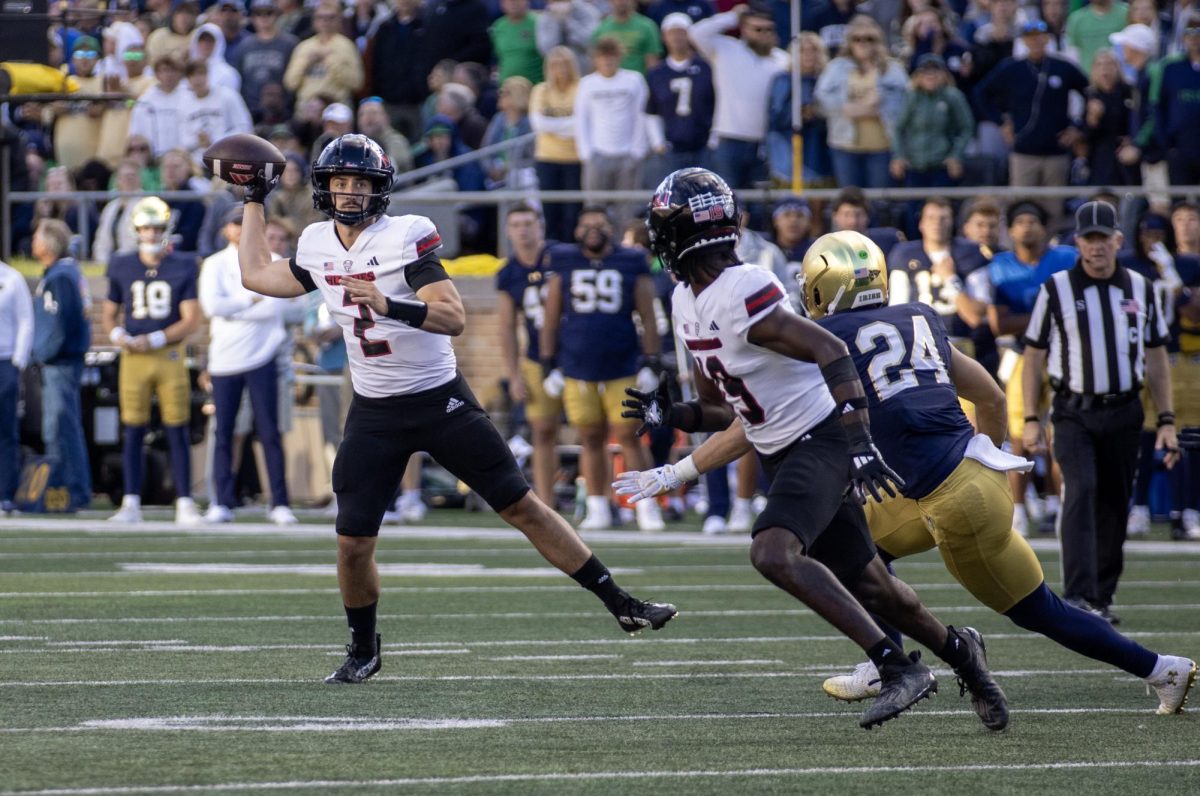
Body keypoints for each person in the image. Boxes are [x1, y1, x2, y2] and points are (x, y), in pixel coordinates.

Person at [235, 133, 677, 683]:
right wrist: (253, 199)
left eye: (361, 183)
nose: (349, 193)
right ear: (324, 188)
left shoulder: (406, 235)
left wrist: (388, 303)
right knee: (352, 543)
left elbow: (451, 315)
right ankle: (363, 648)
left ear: (381, 188)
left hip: (438, 397)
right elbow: (257, 274)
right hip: (375, 410)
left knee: (520, 506)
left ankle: (620, 600)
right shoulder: (317, 242)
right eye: (339, 183)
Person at [617, 167, 1007, 730]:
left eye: (662, 227)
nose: (657, 238)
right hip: (782, 448)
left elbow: (830, 350)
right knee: (876, 586)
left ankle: (896, 667)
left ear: (686, 231)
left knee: (772, 552)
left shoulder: (744, 285)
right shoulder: (685, 300)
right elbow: (726, 409)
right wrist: (672, 414)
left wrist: (858, 440)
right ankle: (963, 654)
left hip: (821, 438)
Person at [791, 231, 1198, 717]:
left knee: (1036, 610)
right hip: (960, 480)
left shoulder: (826, 340)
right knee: (855, 548)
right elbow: (992, 397)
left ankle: (1159, 669)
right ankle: (886, 665)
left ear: (823, 286)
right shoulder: (918, 317)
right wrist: (986, 456)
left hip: (952, 499)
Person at [1024, 201, 1179, 623]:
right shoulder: (1055, 288)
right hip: (1073, 409)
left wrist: (1166, 418)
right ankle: (1077, 595)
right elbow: (1033, 356)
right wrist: (1030, 416)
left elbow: (1157, 356)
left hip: (1125, 409)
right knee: (1081, 489)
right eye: (1089, 239)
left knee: (1114, 500)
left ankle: (1102, 597)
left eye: (1103, 238)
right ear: (1078, 242)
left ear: (1118, 240)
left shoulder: (1141, 287)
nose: (1096, 247)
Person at [540, 206, 666, 531]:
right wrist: (548, 362)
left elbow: (648, 314)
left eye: (599, 224)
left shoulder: (630, 260)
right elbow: (551, 315)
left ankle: (646, 507)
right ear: (576, 230)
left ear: (611, 229)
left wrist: (651, 359)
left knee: (629, 436)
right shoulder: (564, 259)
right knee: (590, 437)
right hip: (576, 366)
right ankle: (597, 506)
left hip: (622, 363)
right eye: (586, 224)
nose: (593, 229)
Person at [971, 201, 1074, 536]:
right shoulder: (1000, 265)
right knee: (1019, 434)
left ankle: (1058, 504)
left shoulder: (1066, 259)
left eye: (1034, 220)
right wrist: (1049, 317)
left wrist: (1026, 321)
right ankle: (1017, 510)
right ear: (1011, 230)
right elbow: (998, 323)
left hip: (1064, 354)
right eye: (1020, 221)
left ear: (1045, 227)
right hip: (1019, 355)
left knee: (1059, 434)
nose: (1027, 227)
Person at [103, 197, 202, 525]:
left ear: (166, 228)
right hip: (133, 356)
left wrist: (156, 337)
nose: (150, 233)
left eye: (156, 227)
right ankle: (130, 501)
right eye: (145, 228)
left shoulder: (184, 264)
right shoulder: (121, 264)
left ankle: (185, 501)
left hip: (167, 354)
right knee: (132, 428)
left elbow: (190, 320)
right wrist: (118, 335)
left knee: (177, 427)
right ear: (136, 229)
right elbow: (109, 312)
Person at [199, 205, 296, 526]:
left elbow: (274, 308)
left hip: (263, 354)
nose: (242, 229)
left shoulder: (272, 261)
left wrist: (238, 308)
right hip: (225, 358)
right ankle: (221, 500)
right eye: (236, 224)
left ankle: (279, 502)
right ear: (227, 229)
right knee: (224, 431)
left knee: (269, 431)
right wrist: (248, 301)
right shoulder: (214, 264)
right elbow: (213, 306)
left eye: (247, 223)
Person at [496, 203, 561, 505]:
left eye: (528, 223)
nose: (523, 230)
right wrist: (513, 374)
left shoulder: (561, 257)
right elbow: (508, 327)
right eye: (517, 224)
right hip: (536, 357)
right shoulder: (509, 273)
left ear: (541, 226)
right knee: (543, 430)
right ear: (508, 231)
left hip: (575, 353)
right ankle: (547, 503)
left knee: (596, 429)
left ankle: (609, 501)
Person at [688, 4, 788, 189]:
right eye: (757, 29)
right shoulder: (726, 49)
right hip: (729, 139)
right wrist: (732, 17)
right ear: (744, 29)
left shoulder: (781, 59)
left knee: (759, 206)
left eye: (768, 29)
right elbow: (696, 33)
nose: (763, 34)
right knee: (727, 200)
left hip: (764, 142)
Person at [30, 219, 92, 512]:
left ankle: (69, 491)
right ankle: (68, 489)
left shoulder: (60, 277)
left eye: (36, 238)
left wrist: (41, 353)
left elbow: (58, 325)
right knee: (62, 425)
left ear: (47, 244)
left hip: (61, 361)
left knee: (60, 427)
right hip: (64, 360)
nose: (33, 243)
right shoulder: (66, 272)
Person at [815, 15, 909, 189]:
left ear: (878, 40)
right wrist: (865, 107)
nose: (863, 43)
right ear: (849, 42)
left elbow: (904, 102)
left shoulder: (892, 68)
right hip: (845, 144)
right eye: (857, 39)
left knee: (878, 200)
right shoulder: (836, 67)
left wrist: (859, 108)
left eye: (869, 39)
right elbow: (822, 99)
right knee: (850, 198)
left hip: (882, 146)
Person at [573, 37, 649, 228]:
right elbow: (581, 119)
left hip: (627, 155)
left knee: (626, 210)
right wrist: (587, 154)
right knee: (594, 209)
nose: (607, 61)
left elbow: (642, 116)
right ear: (595, 59)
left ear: (619, 57)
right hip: (597, 155)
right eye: (602, 57)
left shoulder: (634, 80)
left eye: (611, 56)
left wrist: (637, 151)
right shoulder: (587, 84)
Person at [644, 13, 715, 187]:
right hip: (672, 146)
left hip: (702, 144)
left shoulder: (705, 67)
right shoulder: (657, 73)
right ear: (664, 36)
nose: (676, 37)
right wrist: (658, 142)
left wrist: (714, 137)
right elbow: (651, 110)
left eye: (681, 32)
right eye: (672, 33)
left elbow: (716, 103)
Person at [529, 46, 582, 243]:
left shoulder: (582, 87)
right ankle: (552, 250)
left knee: (572, 212)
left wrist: (554, 126)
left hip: (575, 158)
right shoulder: (540, 90)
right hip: (546, 158)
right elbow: (538, 124)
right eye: (555, 65)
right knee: (550, 211)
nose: (560, 69)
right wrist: (568, 125)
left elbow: (581, 124)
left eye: (565, 64)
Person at [0, 258, 34, 514]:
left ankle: (5, 494)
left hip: (4, 360)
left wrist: (18, 361)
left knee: (6, 430)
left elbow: (25, 320)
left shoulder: (10, 278)